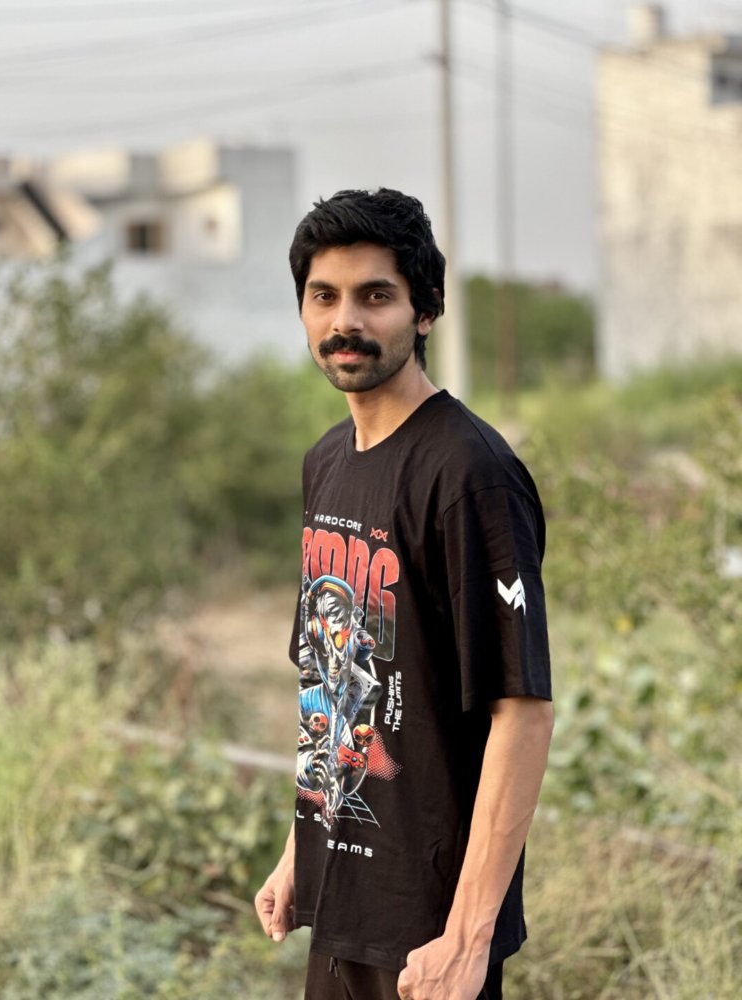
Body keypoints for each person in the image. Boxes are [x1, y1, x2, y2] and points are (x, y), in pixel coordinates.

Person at [255, 188, 554, 1000]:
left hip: (429, 929)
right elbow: (329, 676)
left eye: (375, 296)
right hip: (344, 903)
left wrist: (468, 935)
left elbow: (522, 711)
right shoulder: (328, 462)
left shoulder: (469, 474)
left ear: (425, 312)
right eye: (325, 296)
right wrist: (296, 851)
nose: (345, 320)